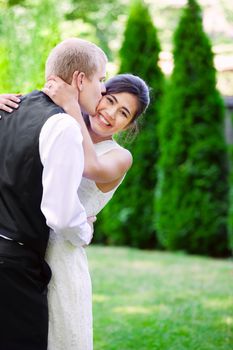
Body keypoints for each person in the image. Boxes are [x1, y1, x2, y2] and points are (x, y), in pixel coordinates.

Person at [0, 73, 150, 350]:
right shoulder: (58, 123)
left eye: (123, 113)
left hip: (61, 254)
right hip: (22, 244)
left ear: (130, 125)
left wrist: (72, 106)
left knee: (56, 337)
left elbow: (89, 166)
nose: (109, 113)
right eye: (110, 100)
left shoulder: (119, 156)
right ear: (99, 92)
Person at [0, 37, 107, 350]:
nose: (102, 90)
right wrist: (84, 230)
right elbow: (60, 215)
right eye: (100, 80)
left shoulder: (10, 107)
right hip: (15, 269)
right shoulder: (63, 126)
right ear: (80, 79)